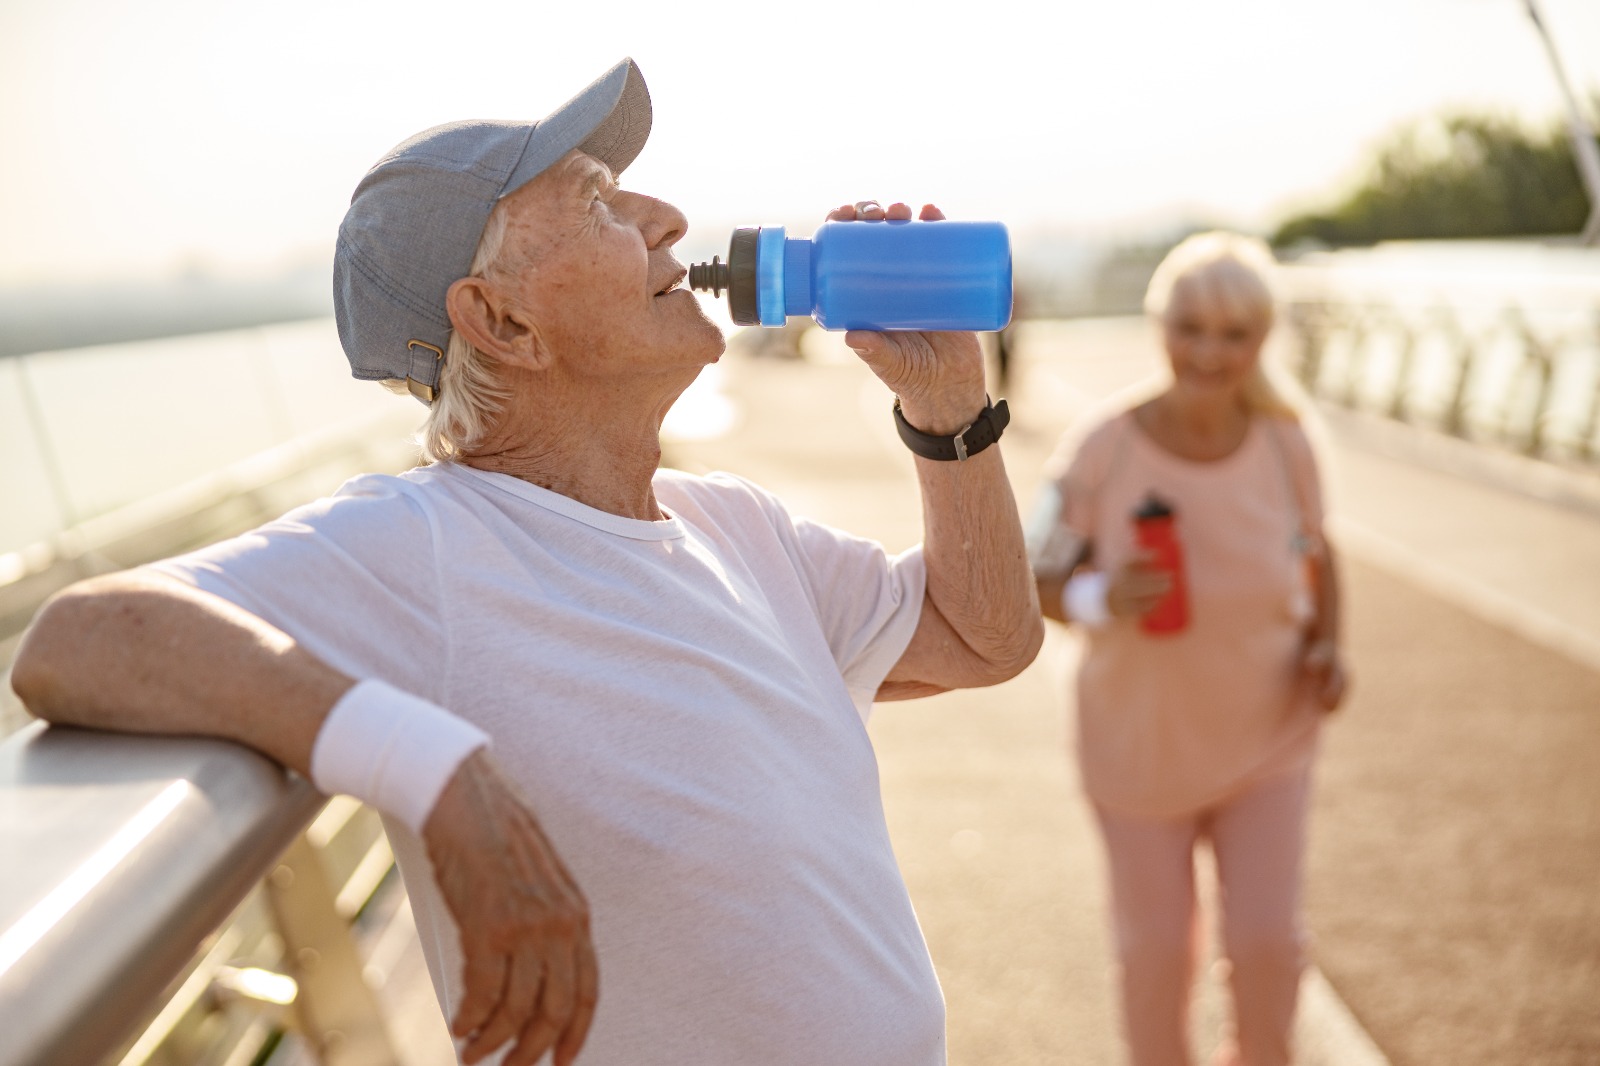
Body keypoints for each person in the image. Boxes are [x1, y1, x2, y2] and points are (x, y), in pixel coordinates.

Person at [11, 59, 1043, 1066]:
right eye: (597, 202)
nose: (668, 216)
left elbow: (980, 635)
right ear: (499, 322)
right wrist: (436, 769)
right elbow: (81, 637)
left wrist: (949, 406)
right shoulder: (421, 540)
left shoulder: (737, 526)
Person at [1028, 231, 1348, 1066]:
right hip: (1137, 752)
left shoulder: (1288, 442)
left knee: (1270, 945)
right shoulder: (1103, 448)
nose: (1210, 351)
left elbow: (1321, 553)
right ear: (1158, 323)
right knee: (1156, 956)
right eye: (1191, 327)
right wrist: (1101, 596)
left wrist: (1328, 648)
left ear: (1263, 339)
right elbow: (1033, 579)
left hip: (1268, 739)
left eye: (1235, 333)